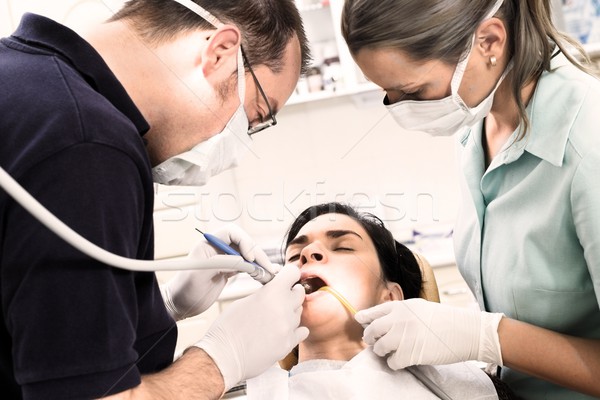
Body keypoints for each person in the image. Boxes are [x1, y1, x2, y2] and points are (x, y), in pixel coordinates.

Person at [0, 0, 311, 398]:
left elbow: (38, 326)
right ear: (220, 53)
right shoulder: (87, 145)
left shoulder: (23, 73)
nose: (237, 143)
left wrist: (160, 307)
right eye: (256, 115)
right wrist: (221, 360)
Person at [339, 0, 600, 399]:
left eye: (413, 91)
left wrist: (486, 337)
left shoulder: (589, 146)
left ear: (489, 41)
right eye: (388, 96)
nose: (404, 111)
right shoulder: (479, 127)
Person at [246, 202, 520, 400]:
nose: (308, 252)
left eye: (342, 247)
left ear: (390, 298)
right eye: (295, 255)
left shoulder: (458, 387)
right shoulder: (258, 389)